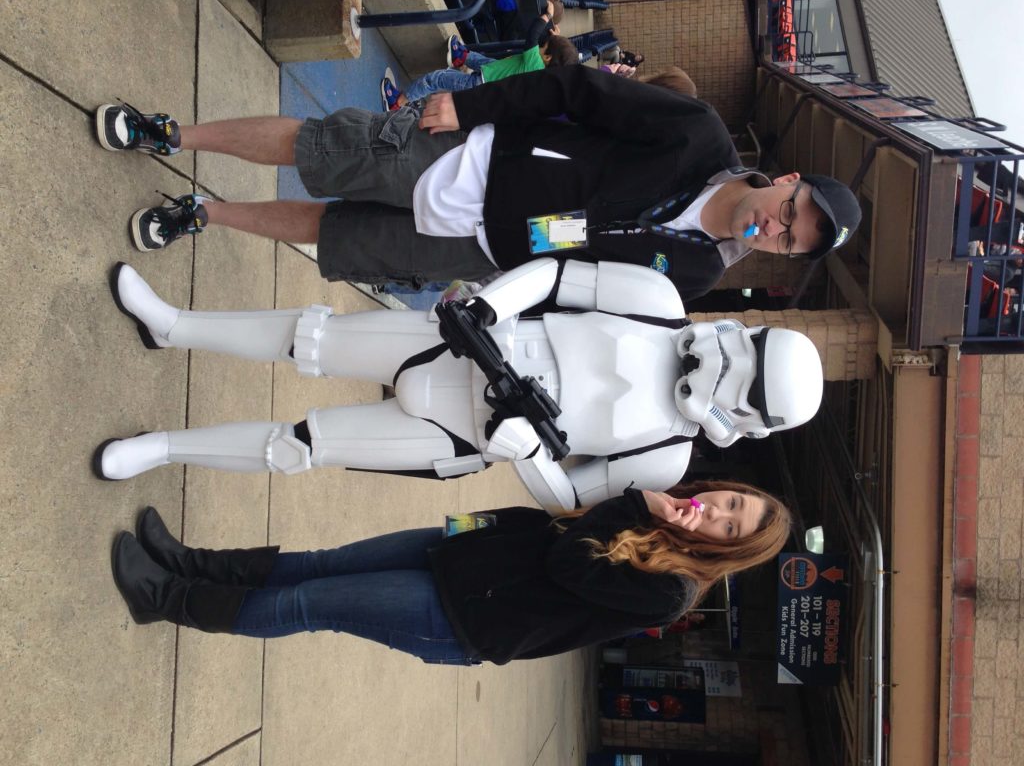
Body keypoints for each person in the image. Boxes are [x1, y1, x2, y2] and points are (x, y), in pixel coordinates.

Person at [95, 258, 824, 512]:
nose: (730, 362)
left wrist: (527, 455)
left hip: (465, 434)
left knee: (303, 446)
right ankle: (175, 324)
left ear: (748, 421)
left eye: (748, 383)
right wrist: (492, 307)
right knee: (309, 337)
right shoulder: (658, 302)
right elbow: (563, 275)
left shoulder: (669, 456)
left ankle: (161, 448)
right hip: (472, 342)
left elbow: (572, 497)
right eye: (750, 349)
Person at [95, 65, 862, 301]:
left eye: (793, 243)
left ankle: (203, 212)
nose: (779, 230)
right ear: (785, 180)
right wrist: (469, 102)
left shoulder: (694, 273)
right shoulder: (696, 134)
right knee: (322, 148)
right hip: (472, 160)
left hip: (479, 255)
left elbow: (579, 290)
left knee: (333, 234)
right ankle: (171, 133)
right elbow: (576, 90)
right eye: (791, 212)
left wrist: (494, 297)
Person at [110, 481, 792, 664]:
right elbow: (553, 520)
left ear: (729, 552)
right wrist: (473, 524)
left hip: (463, 618)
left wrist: (626, 503)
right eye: (730, 503)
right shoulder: (661, 513)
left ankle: (166, 598)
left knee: (309, 603)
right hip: (464, 549)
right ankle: (189, 562)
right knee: (317, 563)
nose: (718, 517)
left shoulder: (671, 592)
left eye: (731, 528)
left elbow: (567, 561)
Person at [381, 31, 577, 112]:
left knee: (437, 80)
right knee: (486, 61)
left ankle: (398, 103)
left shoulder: (534, 61)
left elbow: (533, 31)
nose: (541, 45)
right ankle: (460, 56)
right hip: (492, 79)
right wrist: (556, 42)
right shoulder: (542, 75)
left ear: (548, 58)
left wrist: (547, 16)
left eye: (545, 46)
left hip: (480, 84)